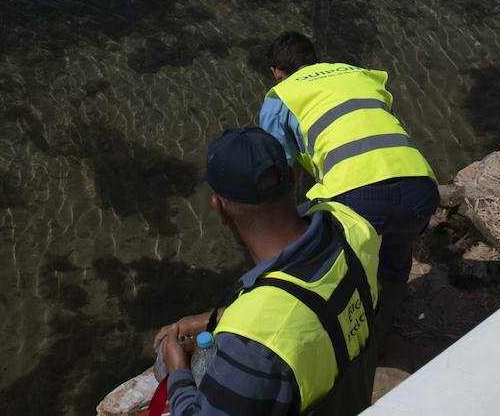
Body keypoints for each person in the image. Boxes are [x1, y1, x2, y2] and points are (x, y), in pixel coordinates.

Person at [154, 127, 382, 416]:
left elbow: (274, 324)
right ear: (294, 178)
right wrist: (213, 319)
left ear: (219, 208)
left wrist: (177, 371)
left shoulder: (251, 346)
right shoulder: (353, 226)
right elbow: (312, 303)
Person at [257, 32, 438, 345]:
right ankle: (382, 335)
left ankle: (335, 342)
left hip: (357, 197)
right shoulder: (359, 74)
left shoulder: (280, 95)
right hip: (420, 187)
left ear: (276, 71)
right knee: (396, 259)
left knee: (319, 261)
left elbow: (280, 171)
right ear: (312, 59)